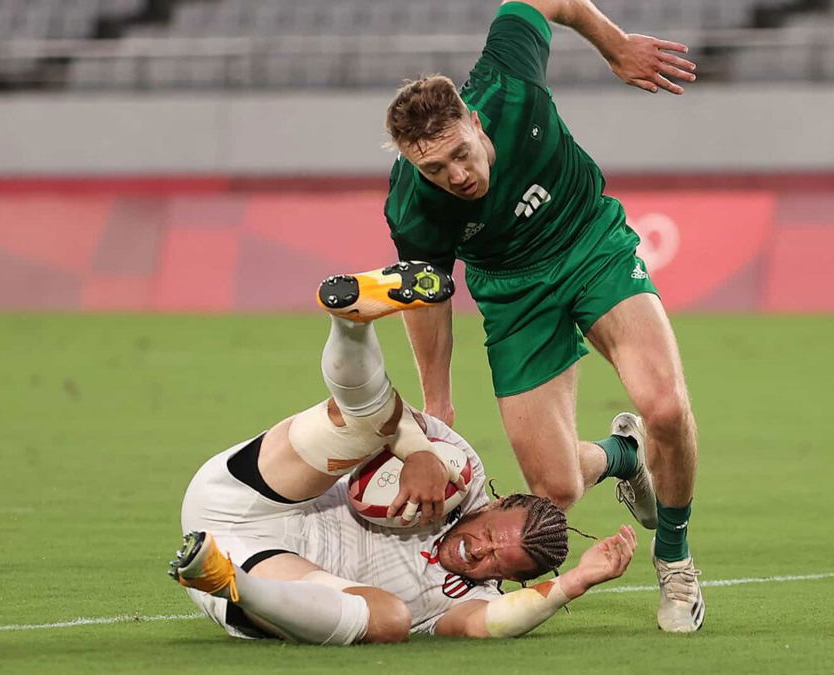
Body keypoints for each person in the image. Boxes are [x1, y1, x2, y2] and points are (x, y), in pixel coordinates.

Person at [361, 0, 705, 633]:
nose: (456, 176)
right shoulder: (413, 206)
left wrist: (615, 45)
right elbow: (428, 296)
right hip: (514, 293)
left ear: (472, 117)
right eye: (434, 168)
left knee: (664, 404)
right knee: (558, 490)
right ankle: (623, 457)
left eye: (461, 154)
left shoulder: (508, 81)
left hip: (590, 244)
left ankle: (676, 556)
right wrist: (438, 406)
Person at [170, 269, 636, 644]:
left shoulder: (463, 600)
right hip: (253, 492)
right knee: (365, 421)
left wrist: (576, 582)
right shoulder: (463, 473)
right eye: (492, 533)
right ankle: (352, 320)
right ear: (493, 505)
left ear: (510, 580)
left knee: (391, 620)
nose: (481, 551)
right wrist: (420, 455)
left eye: (499, 563)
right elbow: (387, 412)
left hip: (260, 569)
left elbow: (491, 623)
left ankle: (223, 579)